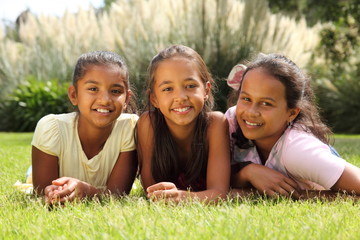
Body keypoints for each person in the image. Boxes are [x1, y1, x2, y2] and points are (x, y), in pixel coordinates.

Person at [225, 53, 360, 199]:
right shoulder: (232, 121)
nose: (251, 112)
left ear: (292, 113)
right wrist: (247, 173)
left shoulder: (298, 151)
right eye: (246, 98)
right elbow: (207, 182)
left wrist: (301, 195)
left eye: (266, 103)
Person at [32, 51, 138, 204]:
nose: (105, 100)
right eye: (93, 89)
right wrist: (52, 194)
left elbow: (116, 196)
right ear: (74, 94)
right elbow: (42, 193)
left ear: (127, 98)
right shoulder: (51, 128)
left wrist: (86, 191)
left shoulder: (129, 128)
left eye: (115, 91)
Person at [136, 45, 230, 203]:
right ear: (154, 99)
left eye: (190, 86)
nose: (180, 97)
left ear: (206, 91)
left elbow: (219, 193)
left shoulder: (215, 124)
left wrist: (182, 197)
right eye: (167, 89)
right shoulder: (149, 124)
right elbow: (151, 191)